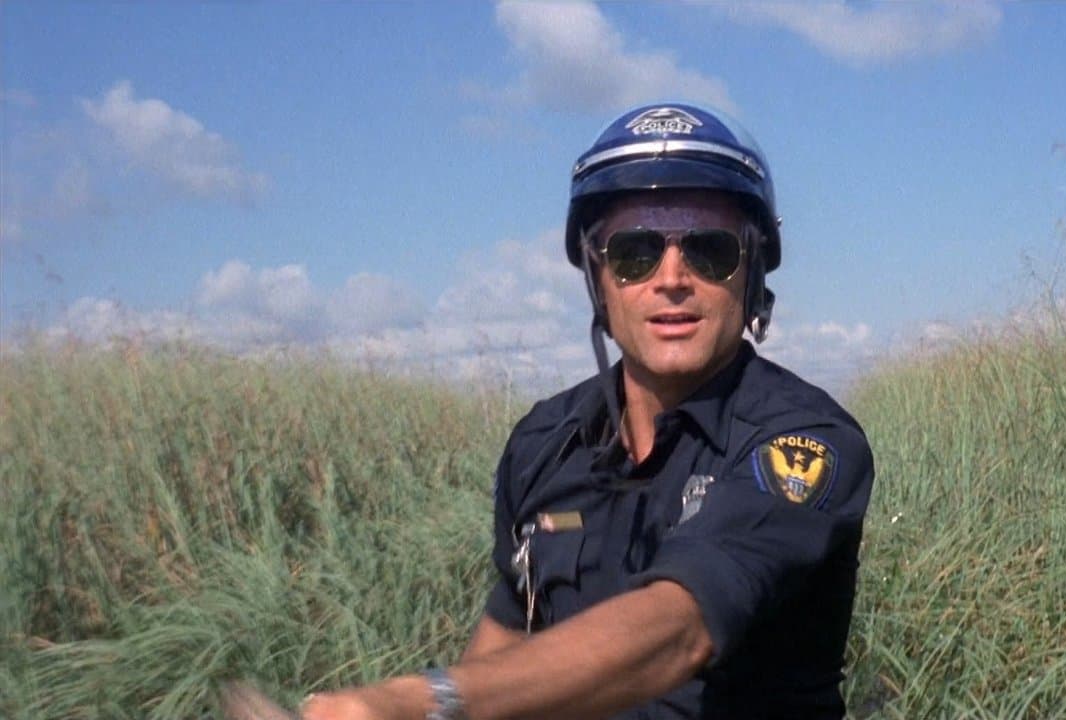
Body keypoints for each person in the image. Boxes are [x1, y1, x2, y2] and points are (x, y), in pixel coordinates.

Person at [301, 102, 875, 720]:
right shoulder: (544, 443)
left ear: (752, 272)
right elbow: (507, 630)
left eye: (710, 251)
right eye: (634, 253)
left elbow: (680, 629)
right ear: (598, 277)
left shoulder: (804, 442)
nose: (672, 278)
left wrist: (419, 700)